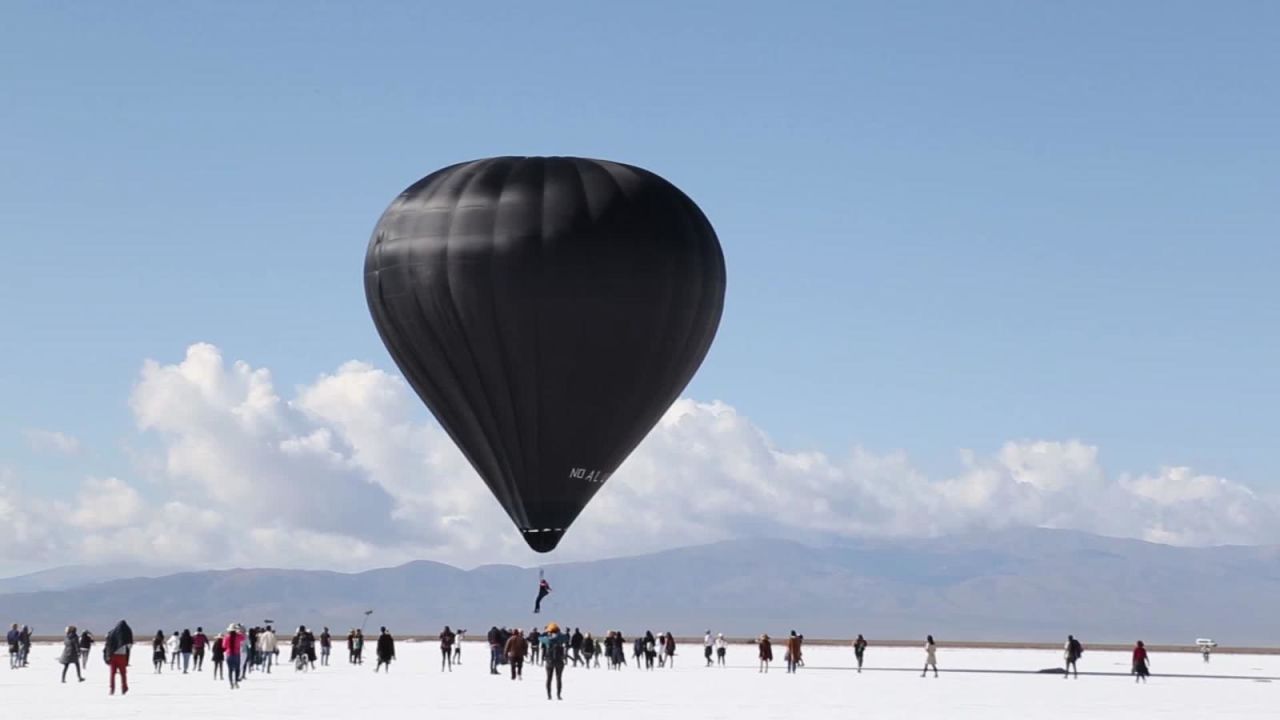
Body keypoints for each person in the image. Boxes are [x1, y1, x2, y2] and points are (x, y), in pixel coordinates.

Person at [540, 623, 569, 701]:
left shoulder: (547, 639)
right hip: (559, 661)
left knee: (549, 678)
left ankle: (549, 695)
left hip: (549, 661)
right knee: (559, 678)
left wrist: (546, 631)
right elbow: (566, 637)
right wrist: (559, 632)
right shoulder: (561, 638)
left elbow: (540, 638)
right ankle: (558, 695)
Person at [104, 620, 133, 695]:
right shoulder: (126, 634)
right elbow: (129, 646)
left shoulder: (112, 633)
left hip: (113, 656)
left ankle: (112, 689)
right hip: (122, 656)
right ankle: (124, 688)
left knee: (112, 673)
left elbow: (107, 643)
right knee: (123, 673)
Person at [223, 625, 244, 689]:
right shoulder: (238, 636)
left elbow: (224, 646)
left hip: (229, 655)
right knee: (237, 669)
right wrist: (238, 632)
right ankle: (236, 682)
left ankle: (231, 684)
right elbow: (243, 638)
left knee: (230, 670)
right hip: (236, 655)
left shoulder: (226, 637)